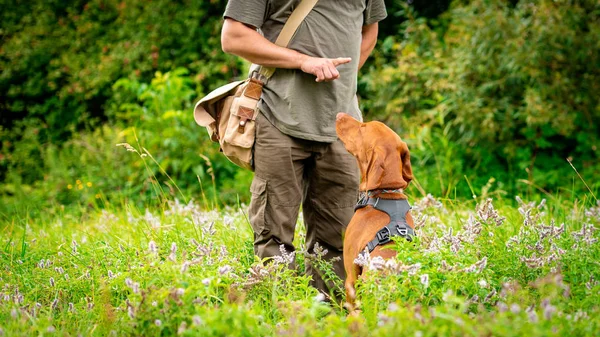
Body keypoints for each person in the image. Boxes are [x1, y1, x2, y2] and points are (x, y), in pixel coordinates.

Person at [220, 0, 387, 297]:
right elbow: (233, 36)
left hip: (342, 127)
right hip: (278, 117)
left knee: (338, 239)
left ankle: (327, 317)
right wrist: (302, 61)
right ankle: (280, 314)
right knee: (274, 239)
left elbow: (370, 30)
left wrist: (342, 84)